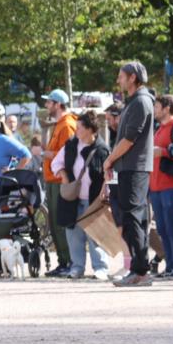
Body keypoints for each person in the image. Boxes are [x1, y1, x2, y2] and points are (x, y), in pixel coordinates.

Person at [103, 61, 156, 287]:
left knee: (133, 217)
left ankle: (140, 271)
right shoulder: (134, 102)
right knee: (133, 217)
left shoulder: (141, 102)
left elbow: (129, 139)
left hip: (135, 167)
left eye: (121, 76)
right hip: (129, 167)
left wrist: (109, 159)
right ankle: (138, 268)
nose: (118, 80)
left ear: (132, 77)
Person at [50, 111, 111, 280]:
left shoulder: (102, 149)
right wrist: (64, 176)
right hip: (72, 199)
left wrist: (106, 192)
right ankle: (77, 267)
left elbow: (110, 173)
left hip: (94, 199)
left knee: (96, 235)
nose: (76, 130)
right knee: (73, 233)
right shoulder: (71, 145)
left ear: (90, 130)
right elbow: (56, 163)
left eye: (79, 128)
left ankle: (101, 268)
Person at [150, 94, 173, 278]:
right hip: (156, 187)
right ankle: (170, 265)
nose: (154, 109)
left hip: (172, 186)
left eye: (157, 106)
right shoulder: (159, 129)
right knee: (163, 229)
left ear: (166, 108)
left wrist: (163, 151)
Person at [41, 88, 78, 277]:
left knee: (61, 222)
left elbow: (70, 155)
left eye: (49, 102)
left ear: (57, 104)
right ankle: (63, 262)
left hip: (59, 180)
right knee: (55, 222)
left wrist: (46, 154)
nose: (46, 105)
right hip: (52, 180)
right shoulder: (59, 124)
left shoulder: (67, 125)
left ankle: (70, 262)